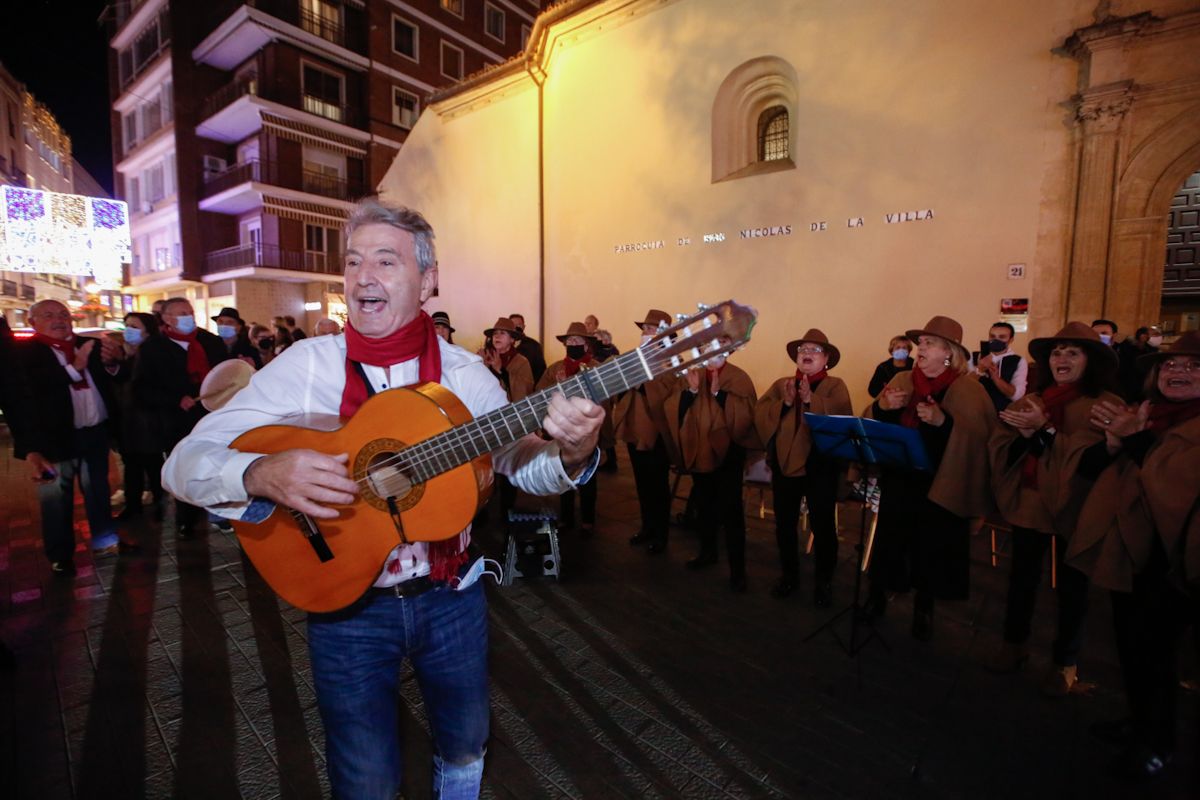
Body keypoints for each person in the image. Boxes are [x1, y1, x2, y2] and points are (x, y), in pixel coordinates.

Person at [161, 200, 602, 799]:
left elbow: (524, 465)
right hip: (344, 601)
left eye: (385, 261)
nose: (363, 276)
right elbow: (181, 464)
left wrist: (574, 450)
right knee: (364, 775)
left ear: (428, 280)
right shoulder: (305, 368)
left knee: (467, 742)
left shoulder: (466, 376)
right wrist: (260, 471)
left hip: (452, 595)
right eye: (353, 261)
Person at [1067, 331, 1200, 780]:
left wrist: (1132, 439)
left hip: (1173, 562)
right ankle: (1139, 719)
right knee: (1129, 644)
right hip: (1131, 550)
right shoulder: (1148, 416)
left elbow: (1177, 491)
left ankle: (1158, 742)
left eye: (1193, 366)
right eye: (1170, 365)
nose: (1178, 371)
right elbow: (1089, 469)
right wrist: (1113, 441)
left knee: (1158, 653)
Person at [987, 322, 1120, 694]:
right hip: (1031, 501)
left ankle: (1065, 663)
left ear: (1090, 361)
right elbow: (1005, 449)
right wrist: (1027, 436)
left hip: (1076, 506)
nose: (1061, 358)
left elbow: (1094, 462)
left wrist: (1043, 432)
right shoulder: (1034, 399)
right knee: (1021, 579)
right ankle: (1014, 646)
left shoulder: (1105, 405)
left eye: (1072, 352)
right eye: (1056, 352)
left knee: (1072, 589)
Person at [864, 316, 994, 639]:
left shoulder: (968, 390)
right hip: (901, 478)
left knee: (931, 549)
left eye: (929, 343)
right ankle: (876, 597)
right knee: (889, 542)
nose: (919, 347)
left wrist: (942, 422)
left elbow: (977, 440)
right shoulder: (904, 379)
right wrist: (883, 407)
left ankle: (924, 609)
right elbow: (874, 422)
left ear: (948, 353)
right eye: (920, 342)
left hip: (939, 483)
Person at [13, 300, 134, 574]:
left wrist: (115, 362)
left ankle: (105, 540)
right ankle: (60, 555)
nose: (59, 320)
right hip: (54, 440)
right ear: (33, 322)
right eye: (49, 315)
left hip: (95, 432)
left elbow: (119, 376)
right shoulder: (24, 353)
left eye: (63, 314)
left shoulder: (88, 344)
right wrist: (73, 368)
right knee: (56, 498)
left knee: (98, 490)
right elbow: (29, 395)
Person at [755, 329, 851, 606]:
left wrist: (810, 400)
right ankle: (789, 576)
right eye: (802, 350)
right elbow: (761, 414)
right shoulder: (782, 384)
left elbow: (840, 416)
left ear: (826, 359)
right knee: (784, 523)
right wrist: (785, 403)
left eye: (814, 350)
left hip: (820, 466)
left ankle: (824, 581)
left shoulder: (835, 386)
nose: (807, 354)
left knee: (823, 526)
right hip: (785, 465)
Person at [666, 339, 759, 592]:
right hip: (699, 450)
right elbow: (674, 406)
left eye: (719, 345)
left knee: (731, 512)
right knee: (704, 505)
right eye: (706, 346)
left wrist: (720, 395)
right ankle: (707, 552)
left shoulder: (738, 377)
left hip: (729, 454)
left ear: (728, 350)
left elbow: (748, 414)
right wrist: (692, 392)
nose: (711, 350)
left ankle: (737, 570)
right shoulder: (693, 374)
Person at [135, 298, 230, 537]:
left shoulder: (210, 342)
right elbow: (142, 389)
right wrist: (175, 399)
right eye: (181, 313)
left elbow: (226, 374)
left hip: (213, 415)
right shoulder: (153, 348)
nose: (189, 317)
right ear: (167, 319)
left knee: (218, 462)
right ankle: (186, 517)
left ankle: (220, 511)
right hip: (175, 421)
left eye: (190, 312)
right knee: (185, 465)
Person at [617, 310, 678, 554]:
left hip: (657, 433)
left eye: (651, 329)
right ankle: (646, 527)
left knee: (658, 486)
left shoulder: (672, 360)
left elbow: (671, 394)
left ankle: (661, 535)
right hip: (636, 430)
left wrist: (644, 382)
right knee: (642, 484)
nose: (646, 333)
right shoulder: (635, 358)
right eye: (644, 329)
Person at [536, 321, 602, 535]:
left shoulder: (594, 367)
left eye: (577, 340)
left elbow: (601, 396)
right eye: (569, 340)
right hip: (562, 430)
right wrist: (557, 388)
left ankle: (588, 519)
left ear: (586, 344)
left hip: (587, 430)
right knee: (563, 472)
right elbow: (539, 394)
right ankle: (566, 517)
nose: (572, 343)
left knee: (588, 477)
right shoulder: (555, 368)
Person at [113, 312, 167, 520]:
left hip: (148, 419)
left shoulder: (154, 351)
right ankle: (133, 504)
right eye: (127, 325)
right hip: (127, 420)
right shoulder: (125, 352)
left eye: (135, 326)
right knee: (131, 465)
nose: (129, 330)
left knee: (152, 464)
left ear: (148, 329)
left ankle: (160, 503)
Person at [976, 321, 1028, 412]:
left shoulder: (1018, 361)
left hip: (1000, 413)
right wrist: (979, 370)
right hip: (975, 408)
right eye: (992, 336)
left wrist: (996, 378)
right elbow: (963, 386)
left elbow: (1016, 396)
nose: (996, 340)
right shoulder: (975, 357)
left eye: (1002, 337)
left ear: (1011, 340)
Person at [1116, 325, 1162, 401]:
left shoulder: (1153, 350)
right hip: (1128, 389)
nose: (1158, 337)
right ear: (1143, 336)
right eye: (1155, 335)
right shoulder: (1126, 349)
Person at [508, 313, 546, 382]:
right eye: (513, 325)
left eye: (519, 325)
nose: (516, 327)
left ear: (524, 326)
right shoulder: (503, 344)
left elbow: (540, 370)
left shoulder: (534, 345)